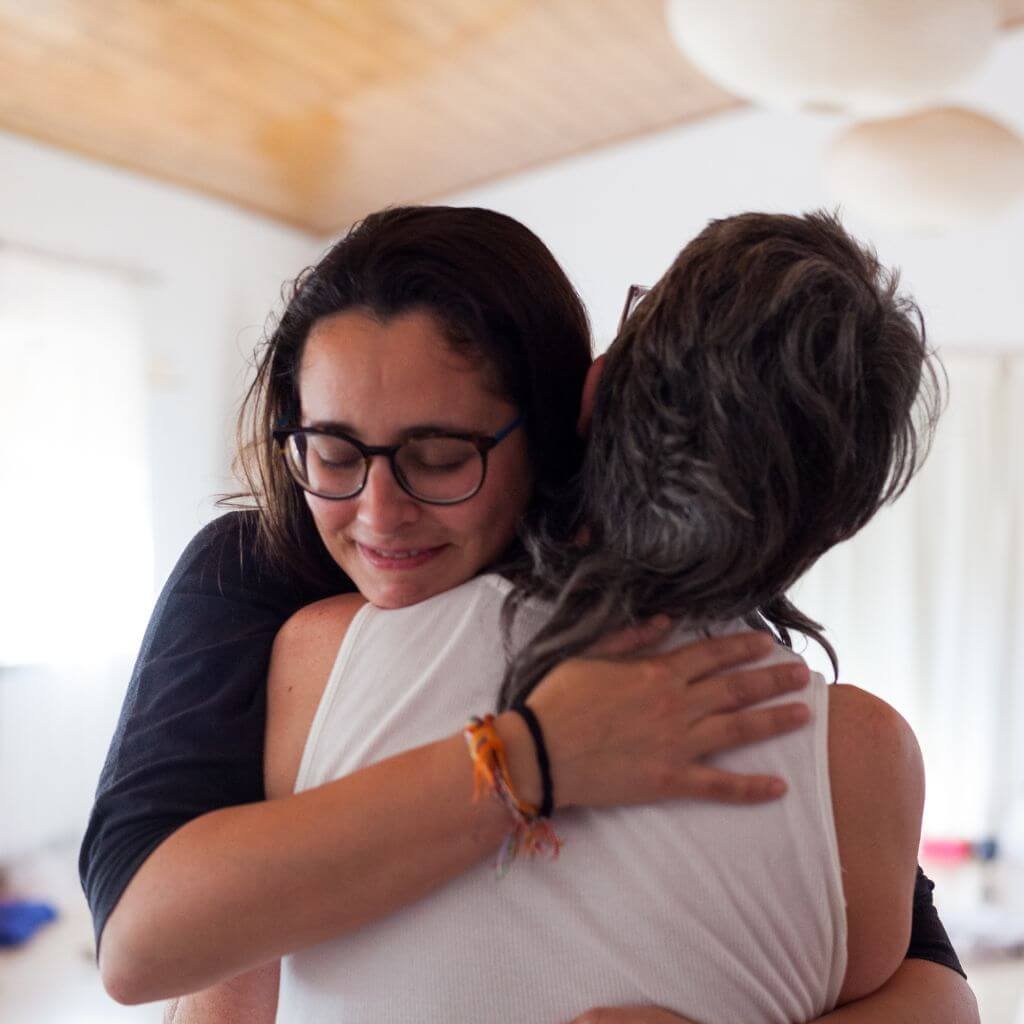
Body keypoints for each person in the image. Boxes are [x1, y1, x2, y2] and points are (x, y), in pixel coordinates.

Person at [82, 207, 971, 1020]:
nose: (379, 514)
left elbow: (940, 993)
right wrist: (533, 756)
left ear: (566, 417)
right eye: (333, 450)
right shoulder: (267, 580)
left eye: (440, 456)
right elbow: (152, 945)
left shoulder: (319, 658)